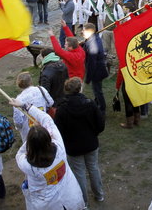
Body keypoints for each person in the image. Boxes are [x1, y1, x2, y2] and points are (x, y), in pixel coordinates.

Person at [9, 99, 86, 210]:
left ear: (30, 144)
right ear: (48, 139)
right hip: (70, 196)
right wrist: (24, 105)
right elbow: (47, 119)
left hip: (48, 204)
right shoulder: (59, 147)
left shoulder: (27, 165)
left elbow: (19, 154)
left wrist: (32, 139)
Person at [54, 77, 105, 207]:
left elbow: (58, 131)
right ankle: (99, 195)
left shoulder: (62, 109)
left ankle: (84, 202)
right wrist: (94, 134)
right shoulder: (90, 104)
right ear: (80, 88)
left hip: (73, 148)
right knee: (93, 168)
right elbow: (100, 124)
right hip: (91, 144)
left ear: (66, 90)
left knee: (79, 173)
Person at [13, 72, 54, 141]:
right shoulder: (41, 90)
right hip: (45, 126)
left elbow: (18, 122)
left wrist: (18, 128)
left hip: (29, 134)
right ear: (30, 81)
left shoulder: (18, 101)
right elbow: (50, 102)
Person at [83, 23, 109, 117]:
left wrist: (88, 78)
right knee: (97, 89)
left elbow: (92, 63)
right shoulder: (94, 39)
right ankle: (97, 103)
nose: (82, 32)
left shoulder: (93, 44)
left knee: (97, 90)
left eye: (84, 30)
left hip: (97, 71)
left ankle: (102, 108)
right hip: (99, 69)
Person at [100, 0, 125, 66]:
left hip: (115, 30)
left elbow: (121, 18)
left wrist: (119, 29)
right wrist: (102, 27)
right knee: (106, 47)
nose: (107, 0)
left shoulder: (117, 7)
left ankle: (116, 63)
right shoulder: (103, 6)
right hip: (106, 30)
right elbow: (101, 17)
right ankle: (108, 63)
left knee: (115, 48)